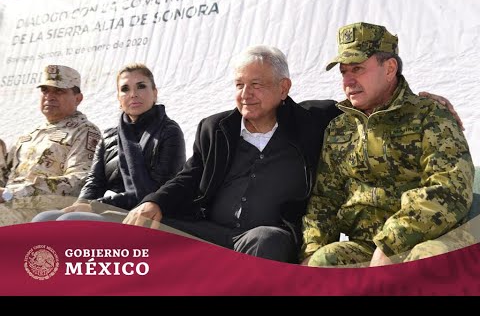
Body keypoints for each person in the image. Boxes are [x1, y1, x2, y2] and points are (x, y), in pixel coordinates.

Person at [123, 45, 341, 263]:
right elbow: (190, 176)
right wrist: (155, 202)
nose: (245, 95)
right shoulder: (216, 128)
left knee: (266, 240)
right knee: (149, 228)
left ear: (283, 88)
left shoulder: (313, 121)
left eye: (256, 84)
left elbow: (362, 102)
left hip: (268, 237)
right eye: (239, 85)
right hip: (212, 232)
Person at [301, 22, 475, 267]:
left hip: (431, 239)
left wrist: (391, 243)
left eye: (357, 69)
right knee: (322, 263)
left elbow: (449, 188)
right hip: (366, 246)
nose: (348, 80)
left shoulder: (430, 116)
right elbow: (324, 200)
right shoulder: (340, 127)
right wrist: (311, 251)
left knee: (425, 262)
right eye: (343, 72)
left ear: (389, 68)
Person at [32, 63, 186, 222]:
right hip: (109, 209)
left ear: (154, 93)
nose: (133, 94)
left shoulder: (169, 131)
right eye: (125, 89)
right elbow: (95, 182)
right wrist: (82, 203)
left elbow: (157, 190)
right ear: (119, 98)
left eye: (141, 86)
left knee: (69, 221)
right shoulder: (109, 136)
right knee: (44, 219)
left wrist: (95, 206)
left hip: (145, 213)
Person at [0, 65, 102, 225]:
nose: (49, 96)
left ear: (78, 98)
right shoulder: (29, 134)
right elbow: (5, 177)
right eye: (45, 90)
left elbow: (78, 182)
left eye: (59, 91)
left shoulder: (85, 132)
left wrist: (13, 193)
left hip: (43, 211)